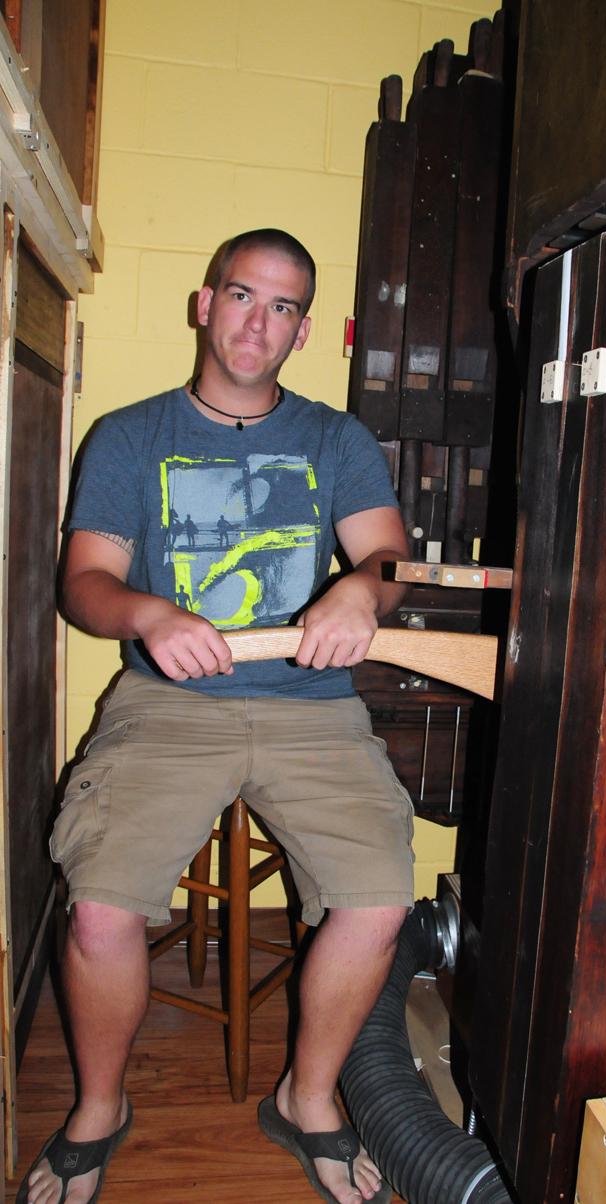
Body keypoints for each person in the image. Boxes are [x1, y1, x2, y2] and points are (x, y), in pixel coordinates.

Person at [18, 228, 413, 1204]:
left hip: (310, 705)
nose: (257, 322)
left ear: (303, 330)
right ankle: (100, 1107)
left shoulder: (335, 438)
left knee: (379, 899)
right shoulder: (130, 433)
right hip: (167, 702)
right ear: (205, 303)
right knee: (101, 909)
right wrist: (148, 611)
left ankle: (306, 1097)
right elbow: (85, 582)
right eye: (242, 295)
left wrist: (364, 589)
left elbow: (386, 556)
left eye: (281, 308)